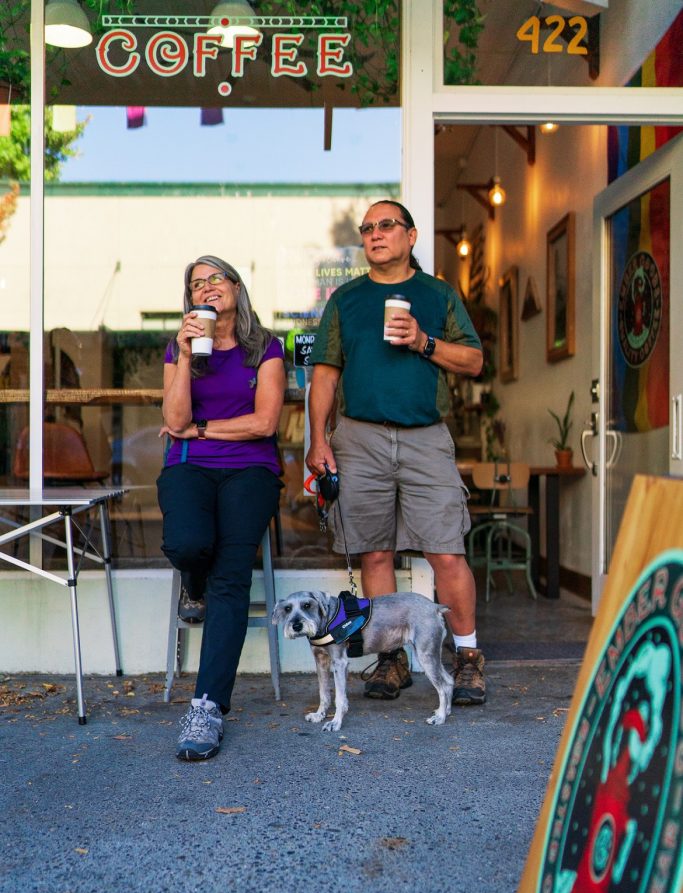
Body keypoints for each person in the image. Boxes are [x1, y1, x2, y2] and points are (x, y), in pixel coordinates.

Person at [305, 201, 486, 704]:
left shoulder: (437, 294)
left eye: (387, 226)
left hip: (425, 434)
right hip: (359, 436)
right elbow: (325, 373)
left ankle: (468, 658)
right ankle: (391, 659)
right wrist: (318, 439)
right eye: (368, 228)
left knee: (446, 549)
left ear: (411, 236)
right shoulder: (346, 299)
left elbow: (473, 360)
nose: (375, 234)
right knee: (375, 549)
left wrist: (425, 342)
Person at [157, 255, 285, 760]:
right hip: (189, 464)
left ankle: (206, 708)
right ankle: (193, 582)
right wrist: (186, 356)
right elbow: (173, 417)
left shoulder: (266, 347)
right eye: (196, 284)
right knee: (188, 542)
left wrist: (204, 430)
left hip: (251, 468)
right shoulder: (178, 347)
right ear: (189, 300)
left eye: (215, 279)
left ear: (235, 286)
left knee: (232, 576)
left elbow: (265, 423)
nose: (207, 288)